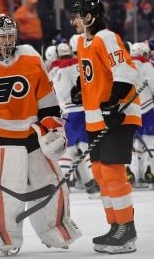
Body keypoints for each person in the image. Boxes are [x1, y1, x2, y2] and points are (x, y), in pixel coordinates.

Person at [0, 14, 81, 254]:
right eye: (2, 35)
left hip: (31, 133)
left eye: (11, 35)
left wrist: (51, 127)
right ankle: (4, 236)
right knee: (7, 191)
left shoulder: (31, 56)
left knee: (51, 182)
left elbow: (47, 102)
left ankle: (55, 229)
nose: (7, 40)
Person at [71, 0, 140, 254]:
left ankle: (127, 228)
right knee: (100, 173)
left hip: (117, 114)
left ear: (90, 17)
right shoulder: (82, 42)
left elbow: (124, 71)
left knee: (112, 171)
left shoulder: (107, 37)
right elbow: (91, 72)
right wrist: (80, 88)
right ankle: (115, 226)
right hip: (96, 116)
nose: (75, 20)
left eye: (79, 14)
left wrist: (114, 101)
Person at [49, 42, 99, 198]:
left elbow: (61, 93)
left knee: (69, 149)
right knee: (83, 149)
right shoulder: (82, 63)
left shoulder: (59, 68)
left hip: (70, 112)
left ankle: (62, 185)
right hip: (88, 111)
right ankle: (92, 185)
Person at [129, 42, 154, 187]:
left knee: (130, 144)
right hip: (148, 109)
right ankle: (150, 173)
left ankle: (130, 172)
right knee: (150, 142)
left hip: (129, 111)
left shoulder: (124, 65)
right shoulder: (148, 66)